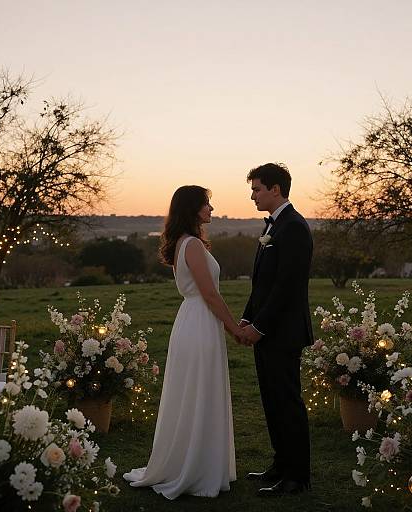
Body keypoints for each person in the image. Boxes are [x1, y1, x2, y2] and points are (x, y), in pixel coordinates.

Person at [123, 185, 241, 499]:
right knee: (199, 390)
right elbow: (211, 295)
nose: (212, 209)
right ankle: (194, 467)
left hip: (195, 321)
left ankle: (204, 462)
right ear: (192, 209)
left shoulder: (188, 243)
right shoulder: (191, 246)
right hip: (200, 321)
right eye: (207, 204)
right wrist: (235, 329)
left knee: (200, 390)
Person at [240, 162, 313, 496]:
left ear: (275, 189)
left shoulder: (293, 227)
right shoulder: (273, 227)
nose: (252, 195)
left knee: (287, 402)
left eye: (256, 188)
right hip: (266, 329)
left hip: (283, 332)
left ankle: (297, 476)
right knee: (271, 401)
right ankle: (281, 465)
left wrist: (260, 326)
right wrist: (247, 317)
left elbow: (287, 286)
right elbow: (262, 284)